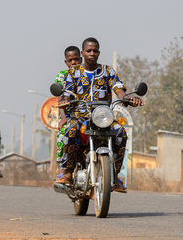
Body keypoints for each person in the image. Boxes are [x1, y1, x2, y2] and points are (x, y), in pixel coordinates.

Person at [57, 37, 142, 192]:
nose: (92, 53)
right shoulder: (73, 72)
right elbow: (67, 92)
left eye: (95, 51)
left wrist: (129, 99)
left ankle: (114, 176)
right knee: (70, 131)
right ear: (82, 53)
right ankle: (67, 171)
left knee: (121, 134)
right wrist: (66, 100)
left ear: (99, 53)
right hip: (80, 116)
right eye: (88, 50)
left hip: (103, 117)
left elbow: (119, 90)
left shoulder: (108, 71)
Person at [54, 46, 81, 173]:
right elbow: (61, 98)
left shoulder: (88, 73)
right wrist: (63, 117)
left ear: (81, 59)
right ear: (66, 62)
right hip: (70, 115)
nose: (73, 63)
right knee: (65, 132)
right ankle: (64, 170)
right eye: (70, 60)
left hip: (88, 115)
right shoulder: (62, 76)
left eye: (76, 59)